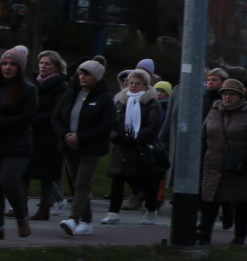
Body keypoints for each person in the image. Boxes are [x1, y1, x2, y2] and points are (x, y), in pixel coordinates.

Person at [197, 78, 247, 244]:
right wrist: (199, 157)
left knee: (241, 201)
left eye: (232, 94)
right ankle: (205, 233)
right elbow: (204, 136)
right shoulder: (215, 111)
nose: (227, 97)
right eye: (225, 94)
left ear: (240, 96)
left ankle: (240, 235)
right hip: (213, 164)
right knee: (210, 200)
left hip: (239, 165)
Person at [54, 60, 113, 236]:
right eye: (81, 73)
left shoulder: (104, 98)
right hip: (69, 146)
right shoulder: (71, 93)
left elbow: (106, 125)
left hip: (91, 148)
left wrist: (81, 137)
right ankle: (86, 221)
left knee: (82, 182)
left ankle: (73, 219)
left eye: (87, 74)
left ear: (97, 77)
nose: (82, 77)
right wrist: (65, 135)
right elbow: (56, 117)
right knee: (76, 183)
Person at [105, 67, 167, 225]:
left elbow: (153, 127)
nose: (133, 86)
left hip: (141, 148)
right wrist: (116, 136)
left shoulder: (151, 103)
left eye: (137, 83)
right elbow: (111, 123)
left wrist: (134, 137)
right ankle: (113, 212)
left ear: (145, 85)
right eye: (130, 83)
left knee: (144, 181)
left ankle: (151, 209)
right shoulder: (121, 102)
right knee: (117, 179)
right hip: (121, 147)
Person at [0, 47, 38, 237]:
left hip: (18, 145)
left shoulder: (28, 90)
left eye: (13, 64)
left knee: (8, 181)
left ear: (20, 68)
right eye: (4, 63)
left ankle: (22, 218)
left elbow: (27, 118)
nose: (7, 67)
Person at [28, 51, 67, 222]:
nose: (43, 66)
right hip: (29, 132)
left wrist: (32, 118)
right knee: (23, 171)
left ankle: (45, 207)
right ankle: (19, 205)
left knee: (46, 173)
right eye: (41, 63)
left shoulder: (61, 86)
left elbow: (57, 111)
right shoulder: (31, 82)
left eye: (47, 64)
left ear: (56, 67)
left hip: (48, 135)